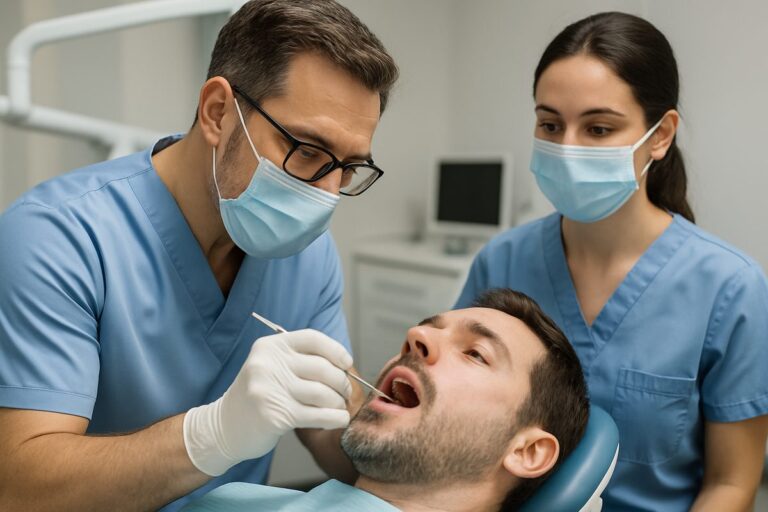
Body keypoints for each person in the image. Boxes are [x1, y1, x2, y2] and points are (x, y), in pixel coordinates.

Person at [0, 1, 398, 510]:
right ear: (217, 112)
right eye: (307, 150)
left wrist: (421, 436)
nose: (326, 192)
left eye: (348, 168)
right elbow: (21, 487)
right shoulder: (58, 237)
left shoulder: (308, 255)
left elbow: (331, 433)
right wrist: (210, 436)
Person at [456, 11, 768, 512]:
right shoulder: (502, 262)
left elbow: (731, 484)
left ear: (661, 135)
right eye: (550, 124)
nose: (567, 149)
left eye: (598, 128)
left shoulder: (730, 289)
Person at [181, 288, 590, 512]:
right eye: (429, 329)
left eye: (475, 353)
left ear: (529, 451)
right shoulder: (236, 501)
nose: (417, 336)